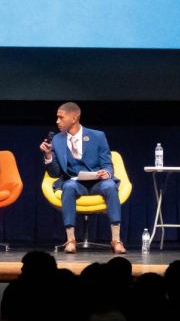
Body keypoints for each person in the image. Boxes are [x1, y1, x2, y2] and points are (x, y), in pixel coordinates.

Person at [40, 102, 125, 254]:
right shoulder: (57, 140)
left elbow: (107, 163)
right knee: (68, 187)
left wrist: (107, 173)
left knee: (111, 186)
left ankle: (116, 240)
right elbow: (55, 173)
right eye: (57, 118)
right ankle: (71, 239)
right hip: (74, 182)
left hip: (97, 182)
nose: (57, 121)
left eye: (61, 118)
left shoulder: (97, 136)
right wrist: (48, 156)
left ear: (74, 118)